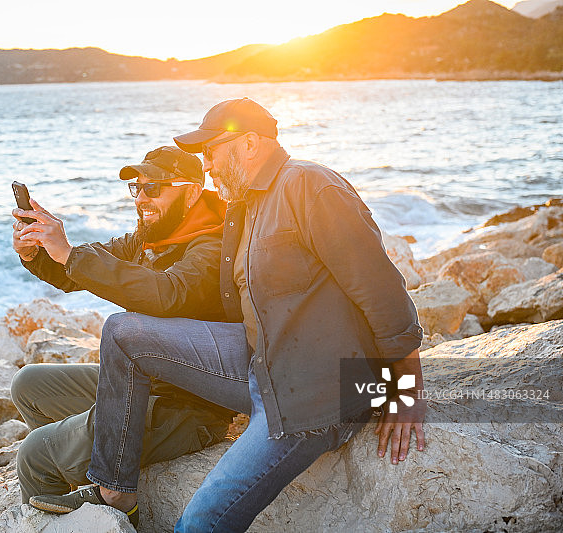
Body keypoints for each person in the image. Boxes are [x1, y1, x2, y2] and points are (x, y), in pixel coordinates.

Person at [29, 98, 426, 532]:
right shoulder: (246, 205)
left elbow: (382, 289)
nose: (208, 166)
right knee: (123, 332)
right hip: (259, 363)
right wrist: (43, 255)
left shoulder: (311, 187)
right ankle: (116, 492)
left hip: (312, 392)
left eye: (212, 153)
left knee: (200, 523)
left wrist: (404, 393)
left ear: (250, 144)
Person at [9, 146, 237, 527]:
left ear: (192, 192)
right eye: (138, 188)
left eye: (155, 188)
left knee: (34, 453)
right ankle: (89, 471)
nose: (142, 199)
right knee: (28, 383)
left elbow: (166, 293)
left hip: (187, 407)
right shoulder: (151, 238)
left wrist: (71, 254)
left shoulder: (212, 247)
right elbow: (77, 269)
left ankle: (83, 476)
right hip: (141, 383)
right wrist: (39, 251)